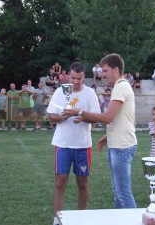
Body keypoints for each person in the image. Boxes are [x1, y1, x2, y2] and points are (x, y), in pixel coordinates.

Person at [63, 53, 138, 209]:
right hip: (118, 145)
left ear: (116, 69)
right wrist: (107, 136)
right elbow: (128, 120)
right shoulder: (121, 87)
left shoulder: (120, 87)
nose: (102, 75)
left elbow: (107, 117)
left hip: (122, 148)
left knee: (123, 194)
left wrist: (79, 112)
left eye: (105, 71)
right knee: (118, 192)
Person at [47, 62, 100, 225]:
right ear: (68, 76)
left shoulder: (90, 93)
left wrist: (83, 116)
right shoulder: (60, 91)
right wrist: (61, 117)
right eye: (73, 78)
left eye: (79, 78)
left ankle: (81, 219)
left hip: (83, 145)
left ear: (84, 77)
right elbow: (51, 116)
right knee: (60, 181)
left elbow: (97, 119)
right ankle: (57, 219)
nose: (76, 81)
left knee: (83, 183)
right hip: (63, 144)